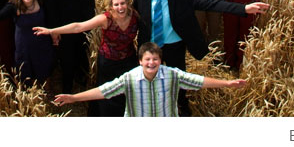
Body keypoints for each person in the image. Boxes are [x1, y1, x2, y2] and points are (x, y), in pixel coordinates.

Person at [132, 0, 268, 114]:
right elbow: (132, 13)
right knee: (148, 78)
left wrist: (244, 9)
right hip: (150, 47)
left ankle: (181, 105)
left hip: (174, 46)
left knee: (178, 79)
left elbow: (209, 4)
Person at [53, 42, 247, 117]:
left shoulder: (172, 75)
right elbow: (104, 91)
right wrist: (74, 98)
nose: (151, 63)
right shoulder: (130, 78)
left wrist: (227, 83)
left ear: (161, 61)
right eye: (148, 60)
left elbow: (198, 81)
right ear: (140, 61)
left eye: (155, 59)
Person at [34, 0, 138, 117]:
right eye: (116, 4)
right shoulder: (105, 19)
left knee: (128, 92)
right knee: (108, 96)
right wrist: (52, 31)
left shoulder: (134, 16)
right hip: (109, 63)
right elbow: (78, 27)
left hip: (129, 61)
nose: (120, 7)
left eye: (123, 3)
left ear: (128, 3)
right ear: (111, 7)